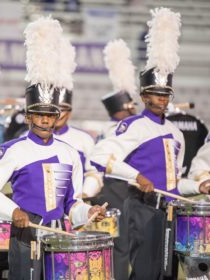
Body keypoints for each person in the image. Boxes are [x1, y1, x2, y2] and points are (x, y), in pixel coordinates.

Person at [0, 16, 106, 280]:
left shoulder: (69, 153)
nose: (45, 120)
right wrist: (13, 211)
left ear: (57, 117)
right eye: (38, 114)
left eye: (50, 115)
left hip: (59, 237)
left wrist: (87, 212)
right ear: (28, 117)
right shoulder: (14, 149)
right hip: (25, 236)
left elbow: (71, 204)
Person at [89, 8, 204, 280]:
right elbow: (100, 154)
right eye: (155, 94)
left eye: (165, 94)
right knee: (144, 271)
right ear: (143, 96)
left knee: (166, 273)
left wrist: (197, 186)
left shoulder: (176, 133)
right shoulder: (134, 126)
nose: (161, 99)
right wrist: (136, 176)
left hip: (169, 208)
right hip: (142, 206)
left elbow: (175, 181)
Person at [91, 39, 137, 280]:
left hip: (111, 193)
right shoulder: (120, 130)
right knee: (120, 248)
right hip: (119, 193)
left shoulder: (109, 129)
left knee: (116, 247)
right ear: (125, 108)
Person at [53, 36, 102, 198]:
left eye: (64, 109)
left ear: (70, 112)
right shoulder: (28, 137)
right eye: (55, 109)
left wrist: (83, 194)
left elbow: (94, 172)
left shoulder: (84, 139)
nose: (59, 114)